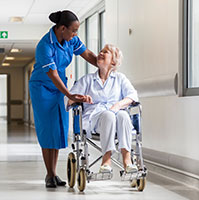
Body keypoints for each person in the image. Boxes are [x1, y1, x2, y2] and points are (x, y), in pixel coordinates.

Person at [29, 10, 96, 188]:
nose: (75, 34)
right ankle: (49, 174)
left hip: (60, 88)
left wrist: (103, 64)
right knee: (46, 129)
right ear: (62, 28)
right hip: (43, 88)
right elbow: (52, 74)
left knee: (58, 128)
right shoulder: (45, 45)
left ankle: (54, 174)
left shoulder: (70, 40)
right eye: (73, 30)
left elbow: (87, 54)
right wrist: (69, 94)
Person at [65, 44, 139, 173]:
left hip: (118, 119)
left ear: (113, 62)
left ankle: (127, 159)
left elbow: (133, 96)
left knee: (123, 115)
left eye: (106, 52)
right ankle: (106, 159)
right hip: (95, 121)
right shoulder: (87, 80)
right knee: (108, 115)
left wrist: (117, 106)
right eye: (101, 51)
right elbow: (68, 99)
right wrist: (80, 98)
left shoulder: (120, 79)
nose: (100, 53)